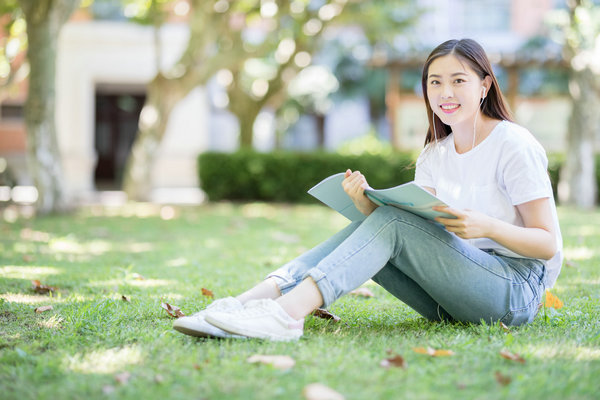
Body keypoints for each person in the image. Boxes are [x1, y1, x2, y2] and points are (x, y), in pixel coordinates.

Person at [173, 38, 563, 342]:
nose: (445, 92)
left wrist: (488, 227)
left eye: (459, 80)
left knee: (393, 223)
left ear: (484, 86)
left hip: (514, 291)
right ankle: (244, 305)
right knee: (381, 222)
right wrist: (363, 203)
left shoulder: (513, 144)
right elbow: (408, 232)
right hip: (452, 296)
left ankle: (285, 315)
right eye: (435, 82)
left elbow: (547, 244)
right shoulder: (434, 153)